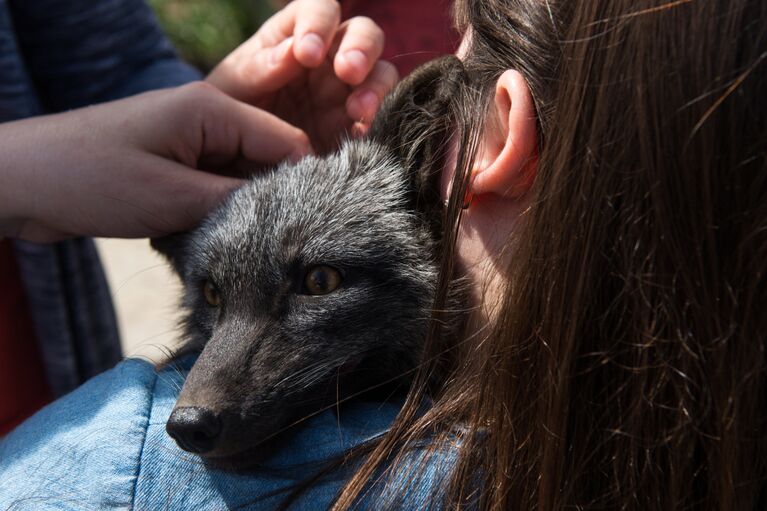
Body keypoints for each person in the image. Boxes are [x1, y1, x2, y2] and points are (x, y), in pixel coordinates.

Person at [3, 0, 766, 509]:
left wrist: (28, 175)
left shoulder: (114, 466)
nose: (191, 404)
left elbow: (105, 63)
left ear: (497, 134)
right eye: (210, 299)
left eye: (458, 43)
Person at [0, 0, 396, 434]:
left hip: (39, 383)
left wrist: (229, 115)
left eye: (320, 282)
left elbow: (116, 66)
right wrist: (25, 172)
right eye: (212, 296)